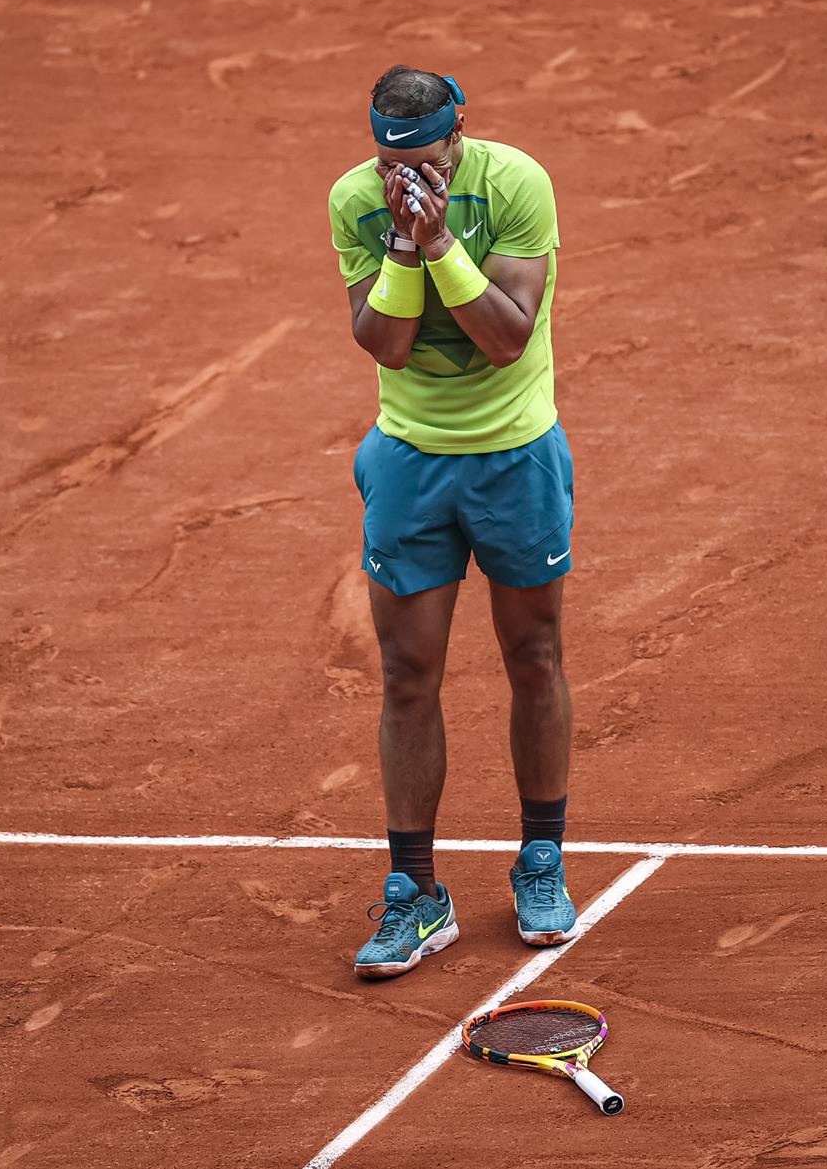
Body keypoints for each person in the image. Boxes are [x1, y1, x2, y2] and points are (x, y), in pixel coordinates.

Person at [326, 65, 577, 979]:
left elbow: (506, 336)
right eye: (390, 163)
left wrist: (439, 243)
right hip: (410, 460)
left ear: (458, 131)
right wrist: (404, 241)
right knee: (406, 673)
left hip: (515, 454)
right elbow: (386, 345)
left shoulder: (517, 183)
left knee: (534, 653)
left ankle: (541, 859)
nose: (406, 179)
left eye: (426, 163)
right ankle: (415, 892)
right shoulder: (357, 201)